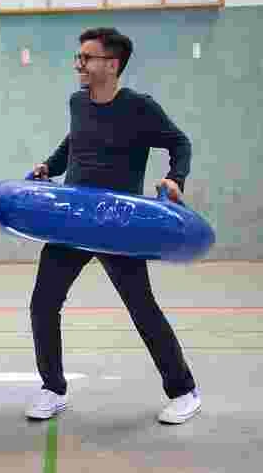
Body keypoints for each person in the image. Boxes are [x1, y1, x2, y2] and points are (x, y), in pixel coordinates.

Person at [25, 27, 200, 424]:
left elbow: (180, 143)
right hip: (73, 221)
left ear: (112, 64)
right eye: (79, 57)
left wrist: (175, 178)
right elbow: (74, 143)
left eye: (86, 58)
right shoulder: (78, 102)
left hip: (118, 225)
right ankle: (53, 388)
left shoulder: (139, 107)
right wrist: (49, 166)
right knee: (43, 303)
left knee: (142, 308)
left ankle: (184, 390)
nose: (79, 64)